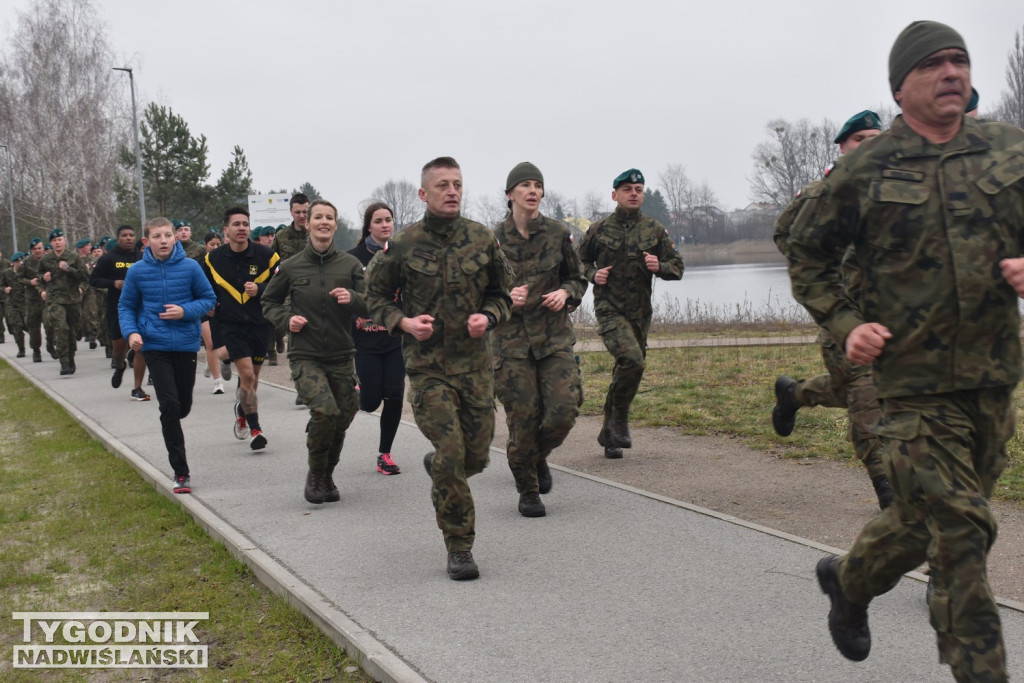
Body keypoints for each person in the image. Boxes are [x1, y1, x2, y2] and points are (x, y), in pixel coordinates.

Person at [787, 21, 1024, 681]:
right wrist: (844, 322)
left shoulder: (1009, 152)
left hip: (992, 379)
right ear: (901, 85)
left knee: (927, 522)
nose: (952, 72)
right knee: (964, 533)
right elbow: (806, 251)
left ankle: (850, 578)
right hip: (912, 389)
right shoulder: (867, 167)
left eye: (961, 61)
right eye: (934, 64)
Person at [366, 157, 512, 581]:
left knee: (478, 457)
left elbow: (503, 293)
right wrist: (405, 323)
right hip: (428, 369)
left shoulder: (482, 239)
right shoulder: (406, 244)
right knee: (452, 454)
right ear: (423, 194)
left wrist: (489, 316)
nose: (452, 191)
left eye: (458, 184)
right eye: (443, 185)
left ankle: (444, 467)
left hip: (475, 368)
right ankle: (460, 546)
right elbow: (373, 297)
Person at [771, 110, 893, 510]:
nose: (870, 145)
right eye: (860, 139)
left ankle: (794, 394)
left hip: (891, 321)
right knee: (865, 395)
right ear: (842, 147)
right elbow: (785, 234)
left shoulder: (897, 191)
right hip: (843, 320)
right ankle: (888, 490)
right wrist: (823, 273)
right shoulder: (820, 194)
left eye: (877, 137)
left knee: (868, 392)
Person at [491, 162, 586, 517]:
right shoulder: (492, 239)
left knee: (564, 410)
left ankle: (535, 456)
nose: (533, 190)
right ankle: (528, 490)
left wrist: (565, 292)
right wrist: (503, 298)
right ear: (510, 194)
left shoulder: (559, 234)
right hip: (510, 344)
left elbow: (577, 279)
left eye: (538, 185)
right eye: (525, 185)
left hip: (553, 339)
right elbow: (475, 291)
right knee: (523, 418)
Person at [263, 199, 366, 503]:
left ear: (335, 224)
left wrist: (353, 298)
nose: (324, 222)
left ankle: (326, 473)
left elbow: (374, 301)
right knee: (325, 411)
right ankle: (316, 474)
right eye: (317, 217)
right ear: (306, 223)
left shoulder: (349, 265)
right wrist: (286, 319)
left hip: (342, 355)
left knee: (343, 414)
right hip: (305, 355)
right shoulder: (292, 267)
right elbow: (269, 302)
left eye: (329, 218)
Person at [578, 169, 684, 458]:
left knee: (628, 368)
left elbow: (677, 266)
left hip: (640, 313)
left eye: (638, 188)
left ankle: (608, 433)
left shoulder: (654, 230)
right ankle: (621, 419)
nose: (634, 193)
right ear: (615, 195)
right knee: (632, 360)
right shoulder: (598, 230)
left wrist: (659, 267)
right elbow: (577, 261)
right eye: (627, 189)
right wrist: (592, 273)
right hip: (609, 309)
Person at [119, 217, 216, 494]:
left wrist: (185, 311)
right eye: (156, 236)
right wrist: (132, 333)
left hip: (185, 345)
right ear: (147, 242)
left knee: (182, 406)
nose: (163, 240)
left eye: (167, 235)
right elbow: (126, 306)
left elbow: (209, 300)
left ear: (175, 238)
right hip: (154, 345)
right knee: (170, 407)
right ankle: (181, 472)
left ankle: (176, 415)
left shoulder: (191, 267)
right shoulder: (137, 271)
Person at [202, 206, 279, 451]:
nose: (242, 228)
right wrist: (208, 305)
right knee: (246, 375)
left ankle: (242, 410)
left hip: (260, 324)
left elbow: (282, 284)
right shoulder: (213, 258)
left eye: (245, 223)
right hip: (231, 324)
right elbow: (201, 285)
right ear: (226, 230)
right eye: (236, 224)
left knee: (253, 379)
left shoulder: (266, 256)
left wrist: (261, 289)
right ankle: (256, 430)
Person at [348, 202, 404, 476]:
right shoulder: (353, 258)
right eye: (379, 220)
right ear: (368, 226)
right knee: (370, 402)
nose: (385, 224)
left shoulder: (401, 255)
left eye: (388, 219)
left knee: (394, 395)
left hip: (394, 340)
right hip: (364, 342)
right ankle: (356, 394)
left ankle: (385, 454)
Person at [90, 225, 150, 400]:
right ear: (118, 238)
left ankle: (137, 388)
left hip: (140, 308)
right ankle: (120, 365)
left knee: (141, 348)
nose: (129, 238)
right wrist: (113, 283)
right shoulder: (109, 259)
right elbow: (93, 280)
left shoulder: (142, 257)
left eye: (132, 235)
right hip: (117, 308)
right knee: (118, 348)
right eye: (124, 235)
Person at [38, 228, 89, 375]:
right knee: (61, 329)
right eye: (54, 241)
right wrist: (42, 283)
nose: (57, 243)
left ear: (64, 241)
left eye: (59, 239)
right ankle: (64, 362)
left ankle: (71, 357)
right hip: (54, 300)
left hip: (72, 299)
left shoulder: (74, 257)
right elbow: (39, 277)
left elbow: (85, 276)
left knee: (72, 331)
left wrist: (68, 269)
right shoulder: (45, 259)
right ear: (51, 243)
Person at [197, 230, 226, 394]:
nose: (215, 247)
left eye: (218, 244)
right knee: (210, 343)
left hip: (224, 306)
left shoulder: (225, 262)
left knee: (223, 344)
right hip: (205, 308)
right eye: (212, 244)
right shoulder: (200, 265)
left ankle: (212, 362)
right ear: (205, 245)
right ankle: (218, 381)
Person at [19, 237, 49, 363]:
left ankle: (51, 345)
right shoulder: (26, 262)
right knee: (34, 328)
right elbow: (19, 278)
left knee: (50, 323)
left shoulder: (49, 260)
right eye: (35, 249)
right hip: (32, 300)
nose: (38, 251)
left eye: (40, 248)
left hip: (47, 298)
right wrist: (29, 282)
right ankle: (36, 351)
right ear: (32, 250)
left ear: (43, 249)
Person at [1, 252, 26, 357]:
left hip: (26, 304)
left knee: (30, 327)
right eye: (17, 261)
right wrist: (4, 289)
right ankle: (21, 349)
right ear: (13, 263)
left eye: (21, 261)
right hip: (12, 304)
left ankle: (36, 348)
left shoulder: (26, 272)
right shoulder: (7, 273)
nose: (20, 263)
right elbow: (1, 285)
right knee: (17, 327)